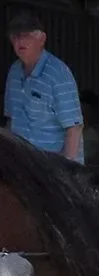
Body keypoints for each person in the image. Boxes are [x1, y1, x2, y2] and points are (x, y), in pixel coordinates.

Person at [3, 10, 80, 162]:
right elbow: (12, 120)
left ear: (42, 39)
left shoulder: (58, 74)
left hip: (51, 167)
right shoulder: (14, 72)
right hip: (22, 163)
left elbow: (74, 128)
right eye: (15, 36)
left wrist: (66, 170)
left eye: (26, 35)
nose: (20, 41)